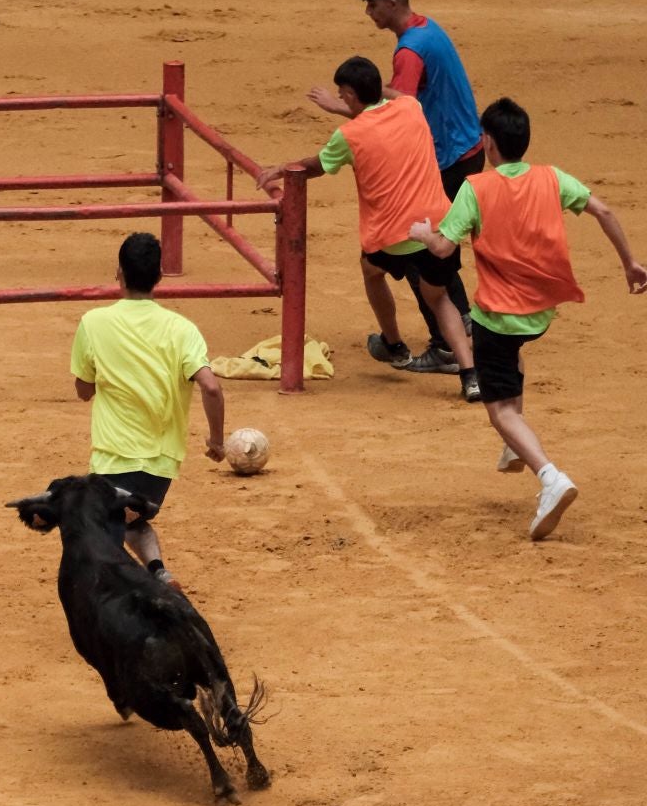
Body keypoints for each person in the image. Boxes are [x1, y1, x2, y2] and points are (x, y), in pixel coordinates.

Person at [411, 95, 647, 540]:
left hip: (499, 314)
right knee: (512, 358)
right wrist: (631, 264)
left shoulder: (476, 188)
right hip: (541, 310)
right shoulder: (552, 178)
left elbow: (444, 248)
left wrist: (426, 234)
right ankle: (514, 447)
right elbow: (604, 210)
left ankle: (549, 477)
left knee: (498, 407)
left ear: (489, 145)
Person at [257, 57, 480, 403]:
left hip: (392, 235)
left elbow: (316, 166)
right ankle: (470, 376)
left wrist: (280, 169)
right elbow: (390, 104)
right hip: (439, 226)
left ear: (348, 94)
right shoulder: (410, 108)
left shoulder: (347, 135)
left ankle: (394, 345)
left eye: (343, 96)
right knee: (440, 299)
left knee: (370, 270)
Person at [309, 0, 481, 373]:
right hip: (465, 147)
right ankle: (462, 327)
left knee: (430, 255)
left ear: (392, 2)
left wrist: (348, 108)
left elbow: (398, 101)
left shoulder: (409, 50)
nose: (369, 12)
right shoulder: (428, 29)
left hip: (448, 155)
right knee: (437, 249)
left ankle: (444, 347)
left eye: (372, 5)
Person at [70, 232, 226, 586]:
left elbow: (83, 390)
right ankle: (159, 572)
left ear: (118, 273)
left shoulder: (93, 323)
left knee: (98, 544)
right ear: (158, 277)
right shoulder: (183, 329)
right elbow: (212, 387)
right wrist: (217, 442)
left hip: (112, 461)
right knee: (132, 519)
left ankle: (139, 599)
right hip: (160, 468)